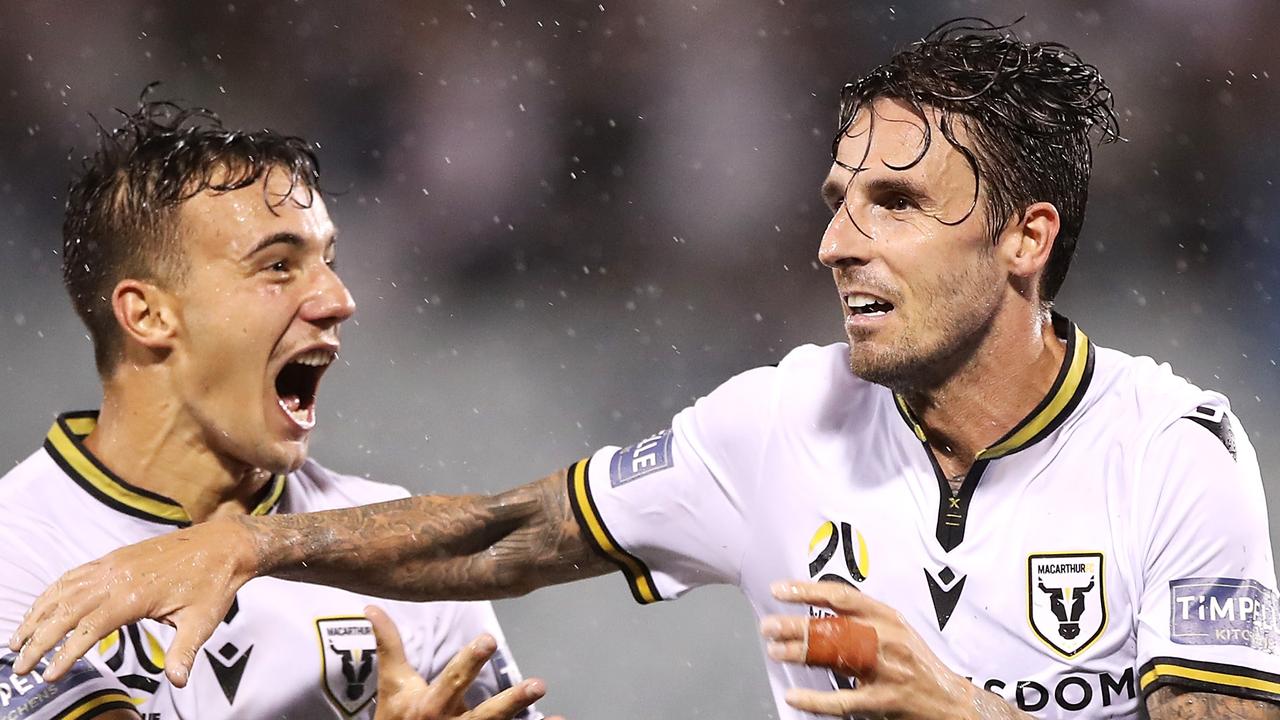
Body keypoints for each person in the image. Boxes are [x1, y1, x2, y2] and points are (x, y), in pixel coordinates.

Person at [12, 19, 1280, 720]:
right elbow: (508, 536)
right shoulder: (777, 422)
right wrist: (252, 548)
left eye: (893, 203)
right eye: (837, 198)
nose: (835, 241)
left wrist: (960, 717)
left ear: (1024, 237)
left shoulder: (1169, 452)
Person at [0, 99, 547, 720]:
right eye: (279, 266)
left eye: (329, 262)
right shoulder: (16, 555)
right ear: (148, 315)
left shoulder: (400, 555)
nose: (339, 300)